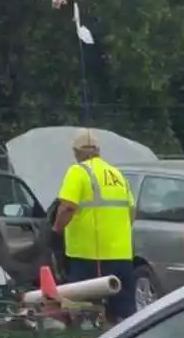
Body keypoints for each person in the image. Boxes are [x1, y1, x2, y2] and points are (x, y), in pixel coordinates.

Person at [51, 128, 136, 326]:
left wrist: (56, 231)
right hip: (122, 256)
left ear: (77, 152)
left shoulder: (78, 172)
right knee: (124, 314)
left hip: (89, 256)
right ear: (98, 150)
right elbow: (131, 211)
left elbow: (68, 207)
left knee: (86, 313)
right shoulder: (117, 174)